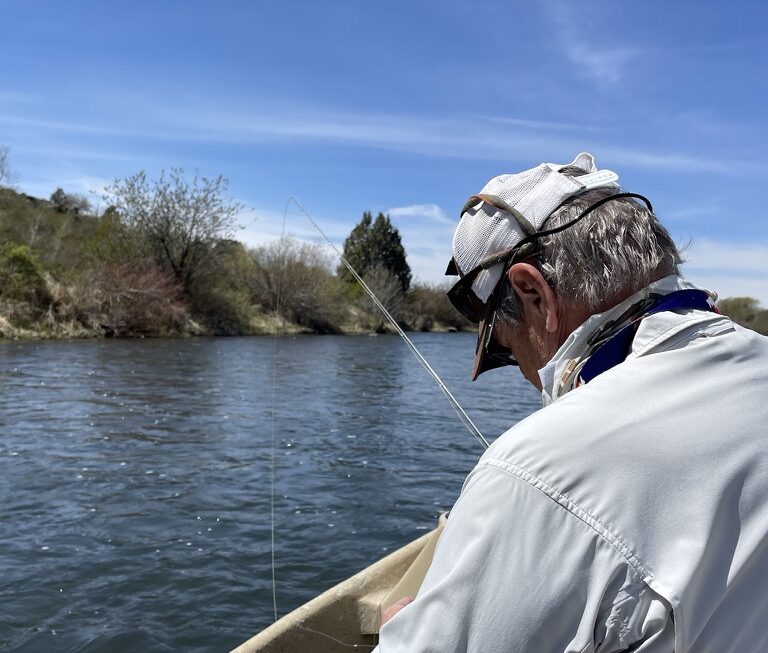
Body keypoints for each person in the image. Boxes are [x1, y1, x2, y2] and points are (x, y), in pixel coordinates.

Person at [374, 153, 768, 652]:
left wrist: (401, 629)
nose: (524, 373)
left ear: (533, 292)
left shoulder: (533, 471)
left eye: (507, 344)